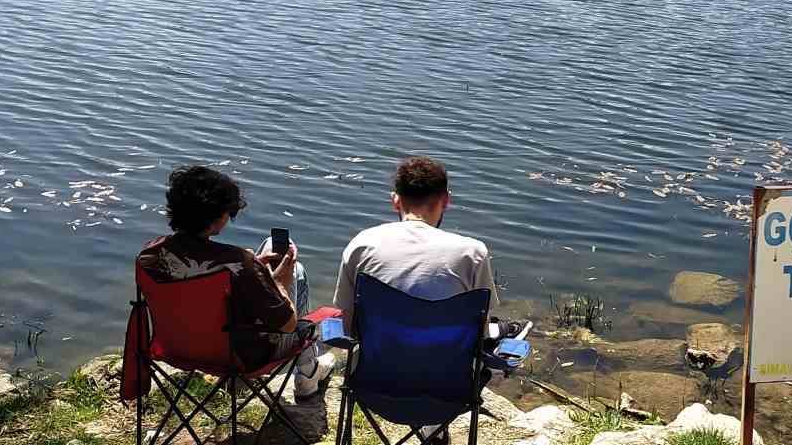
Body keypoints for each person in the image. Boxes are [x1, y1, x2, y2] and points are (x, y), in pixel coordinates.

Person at [138, 165, 334, 398]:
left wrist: (256, 271)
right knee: (297, 270)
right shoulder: (238, 263)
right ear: (217, 217)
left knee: (267, 252)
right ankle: (308, 371)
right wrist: (280, 281)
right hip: (239, 358)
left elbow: (196, 297)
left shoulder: (149, 256)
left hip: (175, 348)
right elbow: (288, 325)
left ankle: (292, 371)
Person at [333, 155, 530, 341]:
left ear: (395, 201)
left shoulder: (362, 245)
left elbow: (349, 327)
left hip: (375, 364)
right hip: (449, 365)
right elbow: (480, 330)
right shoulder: (472, 253)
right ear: (446, 201)